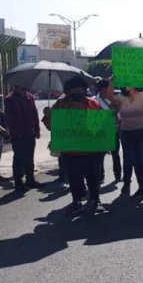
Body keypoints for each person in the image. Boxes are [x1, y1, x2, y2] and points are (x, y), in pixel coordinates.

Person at [48, 76, 104, 215]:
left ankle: (95, 200)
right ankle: (77, 201)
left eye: (81, 90)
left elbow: (101, 125)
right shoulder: (61, 105)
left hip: (91, 150)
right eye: (76, 91)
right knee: (74, 178)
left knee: (93, 177)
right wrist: (49, 116)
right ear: (69, 92)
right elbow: (52, 126)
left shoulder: (92, 104)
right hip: (71, 151)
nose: (79, 93)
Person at [104, 80, 143, 205]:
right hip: (127, 133)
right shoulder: (121, 99)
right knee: (135, 161)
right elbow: (109, 97)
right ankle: (142, 188)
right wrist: (111, 82)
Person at [4, 84, 41, 192]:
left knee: (30, 158)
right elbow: (9, 118)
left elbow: (35, 114)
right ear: (16, 87)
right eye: (22, 87)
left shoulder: (30, 97)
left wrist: (37, 130)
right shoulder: (10, 99)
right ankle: (18, 183)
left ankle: (30, 179)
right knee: (19, 158)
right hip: (19, 134)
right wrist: (16, 131)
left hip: (30, 132)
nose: (24, 89)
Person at [94, 79, 122, 183]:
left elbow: (119, 115)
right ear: (102, 89)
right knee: (100, 156)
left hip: (114, 131)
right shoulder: (95, 101)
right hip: (101, 133)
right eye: (109, 88)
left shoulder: (113, 100)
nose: (111, 90)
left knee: (115, 154)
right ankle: (101, 175)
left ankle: (118, 175)